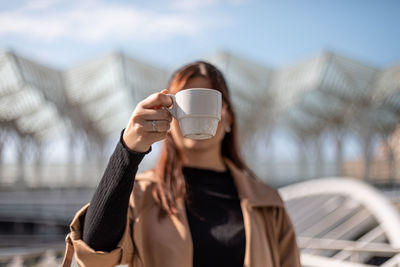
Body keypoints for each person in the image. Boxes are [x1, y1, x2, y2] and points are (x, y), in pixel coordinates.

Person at [62, 61, 301, 267]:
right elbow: (94, 253)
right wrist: (128, 150)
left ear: (226, 116)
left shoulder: (267, 201)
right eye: (185, 101)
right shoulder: (144, 193)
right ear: (171, 113)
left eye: (209, 100)